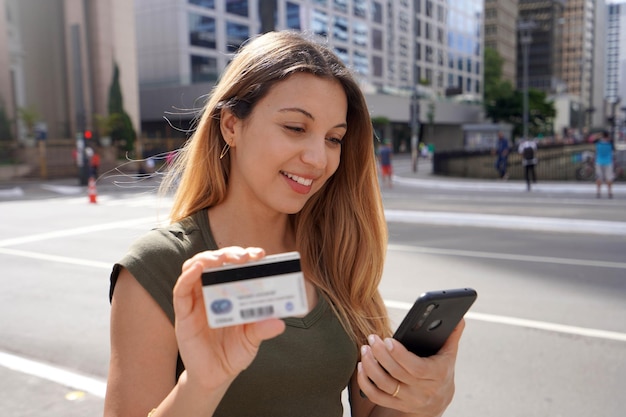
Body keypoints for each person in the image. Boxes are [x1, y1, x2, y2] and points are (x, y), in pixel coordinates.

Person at [104, 31, 464, 417]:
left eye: (333, 138)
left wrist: (426, 397)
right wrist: (202, 384)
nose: (318, 159)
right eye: (295, 128)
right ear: (231, 125)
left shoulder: (337, 254)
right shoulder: (160, 266)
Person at [594, 130, 615, 198]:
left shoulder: (598, 143)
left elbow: (592, 139)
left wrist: (599, 135)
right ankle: (609, 192)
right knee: (609, 178)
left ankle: (598, 192)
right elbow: (614, 148)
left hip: (599, 161)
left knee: (599, 177)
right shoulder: (610, 143)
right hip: (608, 162)